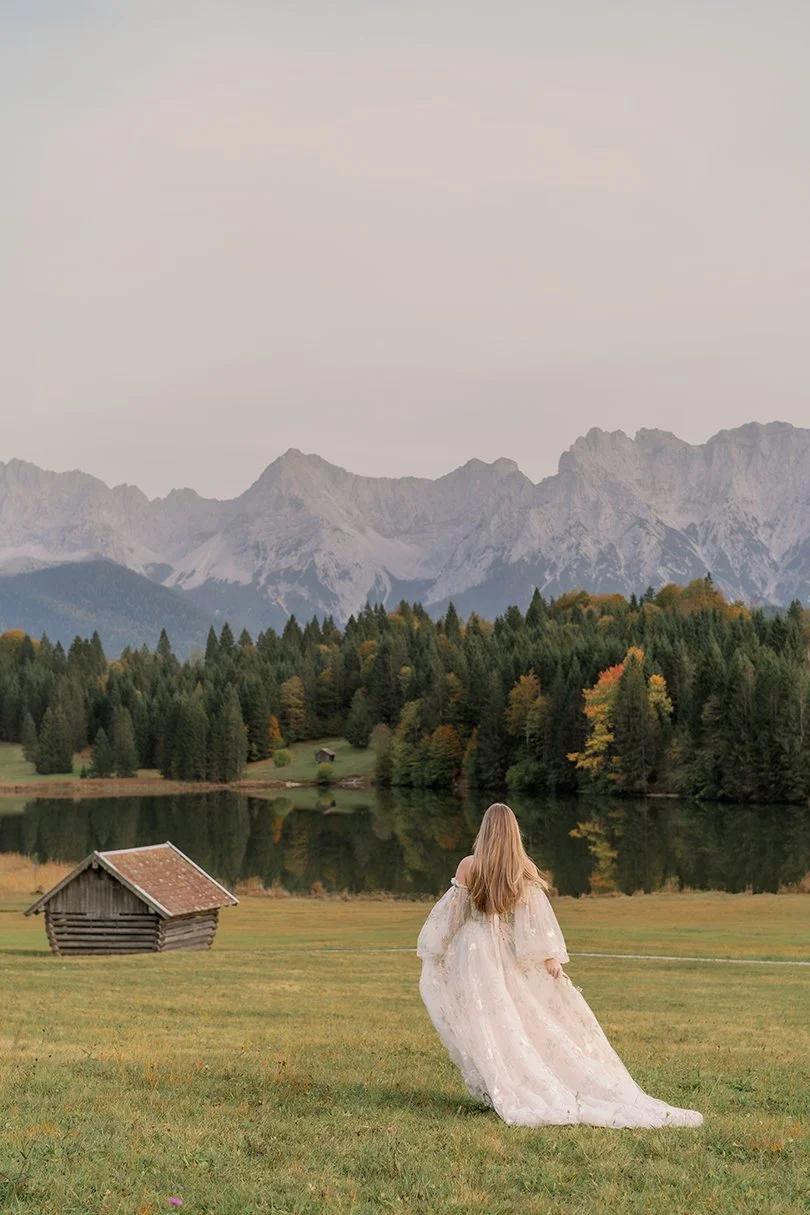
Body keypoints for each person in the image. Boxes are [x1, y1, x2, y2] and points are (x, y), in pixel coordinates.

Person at [417, 802, 704, 1129]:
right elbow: (533, 921)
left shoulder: (471, 865)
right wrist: (548, 956)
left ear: (484, 832)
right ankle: (501, 1082)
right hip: (502, 950)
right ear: (513, 834)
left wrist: (438, 949)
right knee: (507, 1014)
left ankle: (503, 1082)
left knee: (487, 1017)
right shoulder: (521, 867)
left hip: (475, 951)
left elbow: (454, 915)